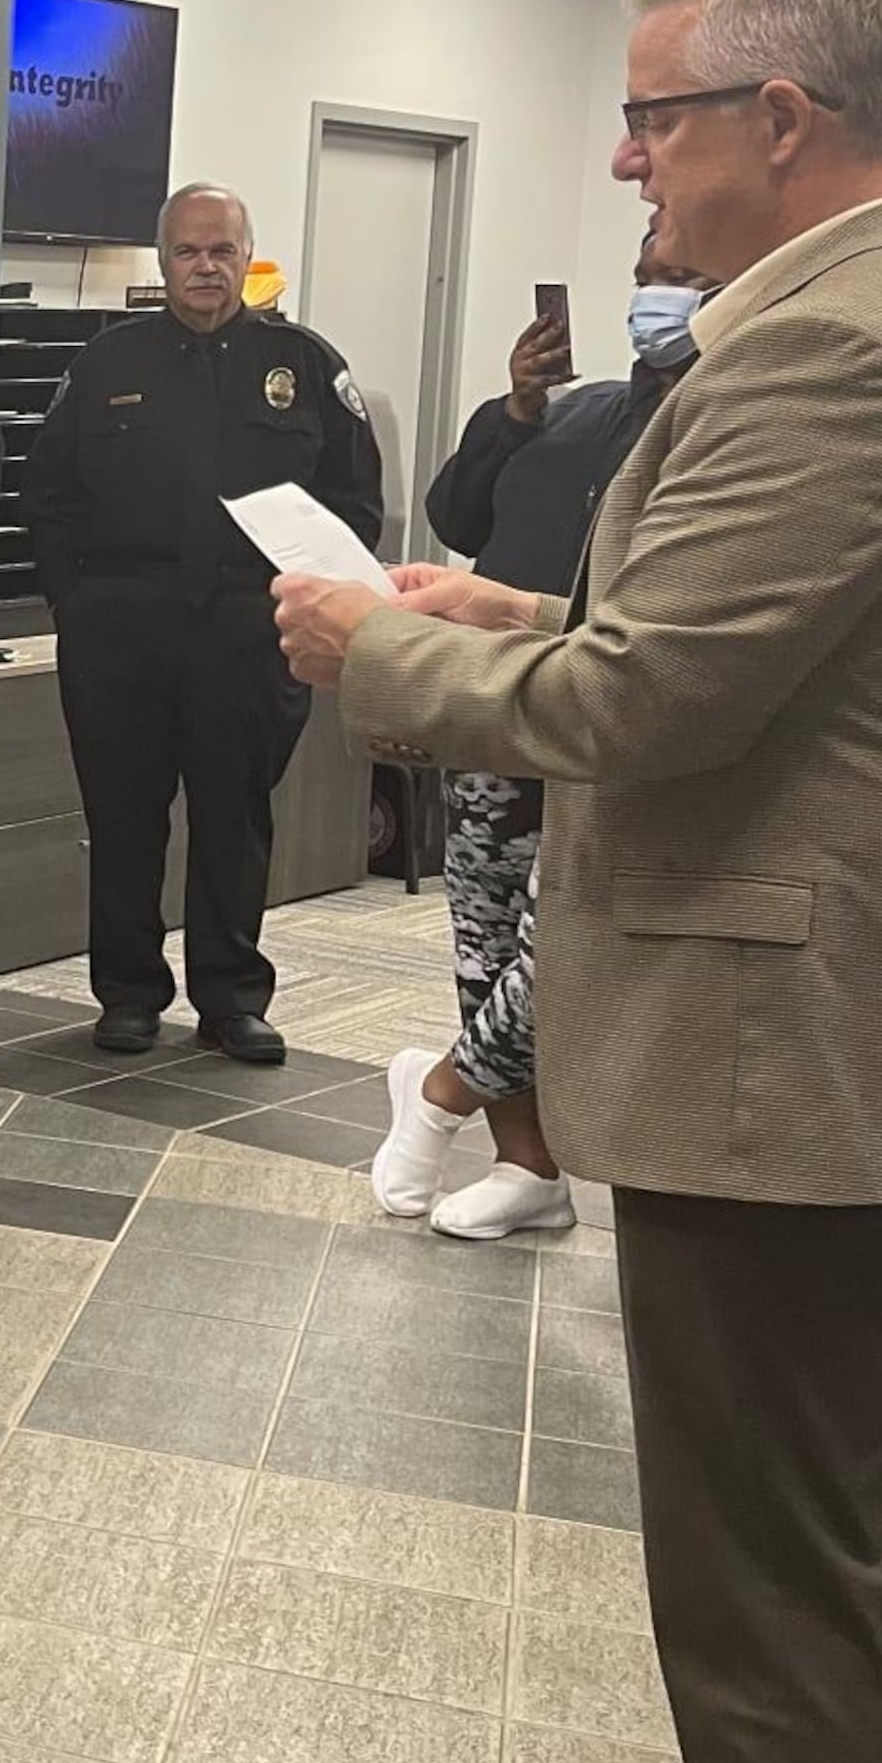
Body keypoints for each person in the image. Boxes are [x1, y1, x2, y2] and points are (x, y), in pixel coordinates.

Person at [273, 0, 882, 1763]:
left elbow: (654, 700)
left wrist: (375, 654)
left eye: (654, 112)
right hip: (828, 1040)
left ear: (781, 118)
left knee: (769, 1575)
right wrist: (505, 603)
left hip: (798, 1056)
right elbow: (708, 634)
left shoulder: (833, 350)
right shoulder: (872, 314)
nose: (627, 160)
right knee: (820, 1539)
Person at [373, 243, 713, 1240]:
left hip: (604, 730)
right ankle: (529, 1166)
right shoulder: (580, 413)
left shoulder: (721, 426)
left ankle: (437, 1094)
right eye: (650, 269)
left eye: (684, 274)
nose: (658, 290)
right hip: (497, 718)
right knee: (482, 941)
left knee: (556, 946)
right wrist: (516, 405)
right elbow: (456, 512)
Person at [25, 182, 381, 1063]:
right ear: (162, 259)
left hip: (247, 629)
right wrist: (79, 608)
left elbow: (354, 508)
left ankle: (231, 997)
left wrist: (305, 611)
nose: (206, 267)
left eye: (223, 250)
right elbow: (49, 495)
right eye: (188, 251)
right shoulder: (109, 364)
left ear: (247, 257)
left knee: (236, 815)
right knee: (124, 816)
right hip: (124, 630)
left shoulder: (302, 363)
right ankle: (129, 994)